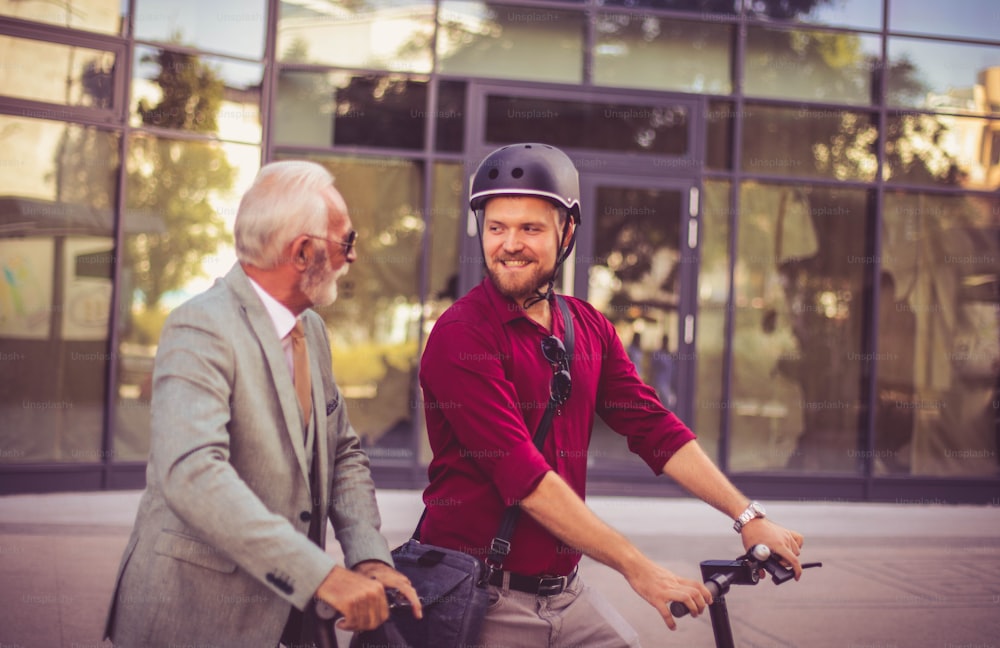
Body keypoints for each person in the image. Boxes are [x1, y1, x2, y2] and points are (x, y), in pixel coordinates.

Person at [418, 143, 805, 647]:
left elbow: (654, 428)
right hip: (479, 598)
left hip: (565, 595)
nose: (510, 244)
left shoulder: (586, 327)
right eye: (496, 227)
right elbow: (524, 478)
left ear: (567, 233)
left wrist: (748, 516)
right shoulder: (462, 335)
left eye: (530, 228)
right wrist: (637, 568)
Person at [104, 160, 421, 648]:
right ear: (303, 251)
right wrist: (322, 575)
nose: (353, 258)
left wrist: (368, 556)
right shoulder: (200, 327)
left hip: (289, 625)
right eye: (347, 242)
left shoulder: (311, 330)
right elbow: (192, 475)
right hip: (193, 620)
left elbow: (341, 454)